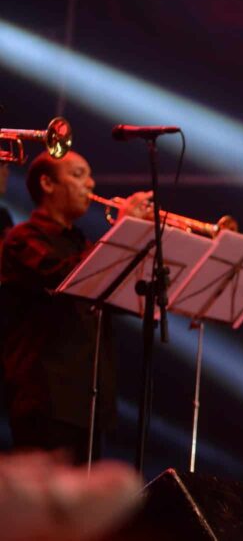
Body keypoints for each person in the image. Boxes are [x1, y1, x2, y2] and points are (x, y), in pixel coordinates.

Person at [0, 151, 149, 463]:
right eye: (79, 174)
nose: (91, 183)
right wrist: (124, 232)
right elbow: (70, 279)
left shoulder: (81, 244)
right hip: (45, 396)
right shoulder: (22, 238)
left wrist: (142, 242)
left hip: (88, 399)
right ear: (47, 183)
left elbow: (123, 298)